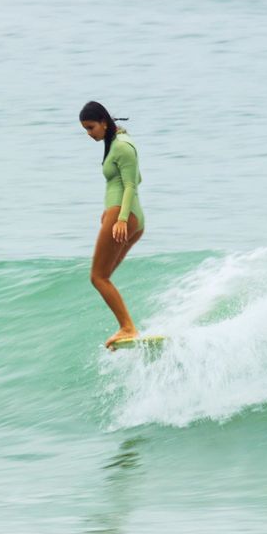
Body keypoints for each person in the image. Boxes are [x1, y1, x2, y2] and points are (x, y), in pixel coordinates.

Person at [79, 101, 145, 349]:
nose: (89, 133)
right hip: (122, 214)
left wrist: (120, 217)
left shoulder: (122, 147)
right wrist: (109, 212)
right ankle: (128, 326)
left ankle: (128, 327)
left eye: (91, 127)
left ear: (104, 122)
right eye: (85, 129)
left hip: (123, 216)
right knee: (104, 276)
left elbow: (130, 185)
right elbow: (132, 178)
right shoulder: (117, 143)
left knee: (98, 277)